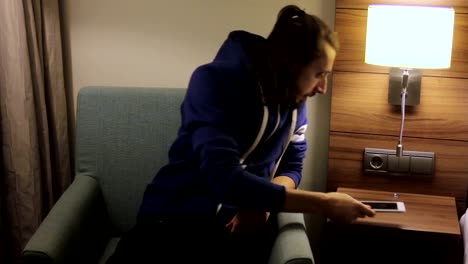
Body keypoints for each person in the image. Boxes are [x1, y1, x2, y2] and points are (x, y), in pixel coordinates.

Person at [107, 4, 375, 264]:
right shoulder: (213, 83)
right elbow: (223, 177)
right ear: (292, 66)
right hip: (174, 222)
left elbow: (292, 166)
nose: (323, 88)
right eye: (319, 74)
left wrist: (262, 204)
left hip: (238, 229)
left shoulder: (295, 100)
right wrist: (325, 204)